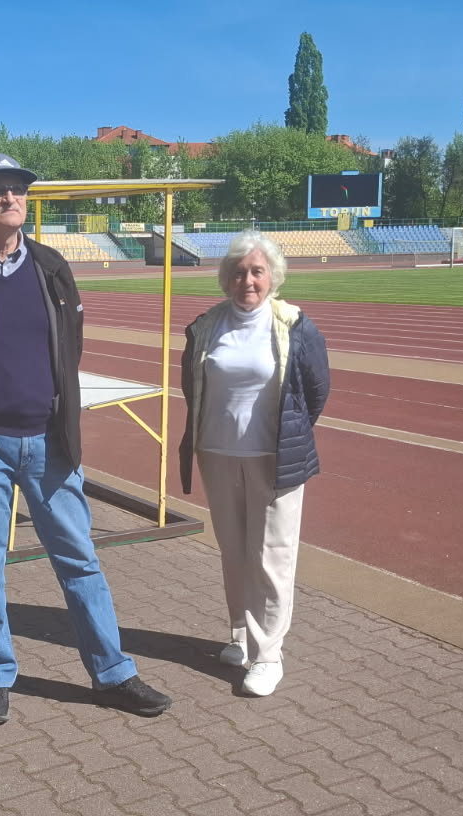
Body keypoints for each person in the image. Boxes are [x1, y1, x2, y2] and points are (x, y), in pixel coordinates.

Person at [0, 153, 172, 726]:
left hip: (49, 443)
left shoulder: (51, 267)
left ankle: (113, 673)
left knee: (80, 561)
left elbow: (68, 346)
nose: (11, 198)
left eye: (19, 189)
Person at [177, 231, 330, 697]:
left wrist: (286, 433)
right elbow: (192, 384)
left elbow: (316, 390)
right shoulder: (207, 326)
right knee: (234, 551)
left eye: (257, 272)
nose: (248, 281)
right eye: (240, 272)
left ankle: (269, 655)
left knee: (272, 556)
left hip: (274, 457)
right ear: (227, 278)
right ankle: (240, 635)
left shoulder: (296, 326)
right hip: (218, 453)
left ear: (273, 277)